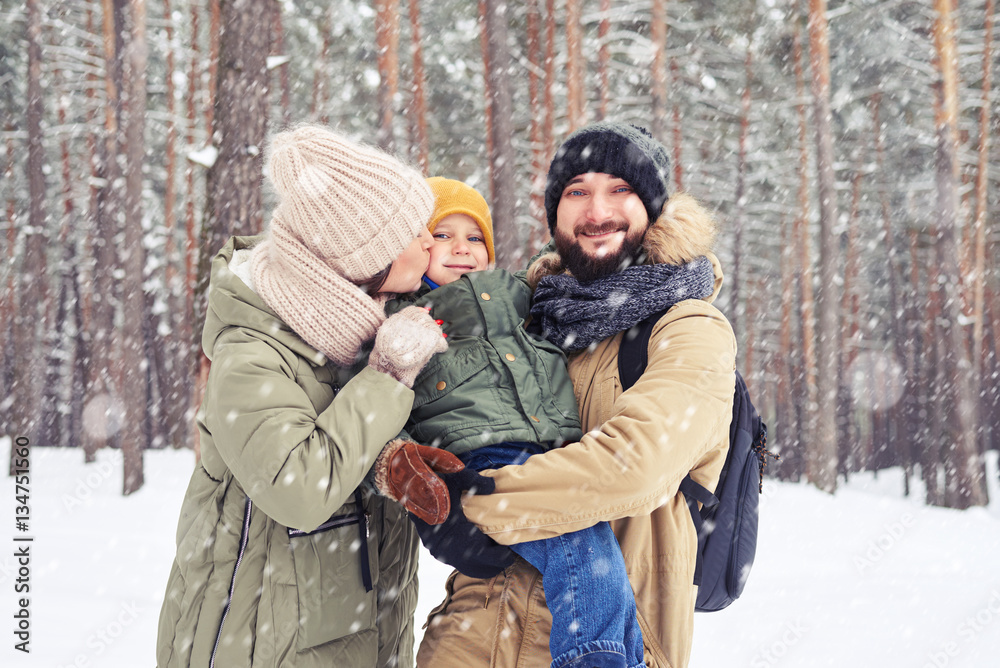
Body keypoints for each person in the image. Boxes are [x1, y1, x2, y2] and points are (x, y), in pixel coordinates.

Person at [416, 122, 737, 668]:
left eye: (621, 190)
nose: (596, 211)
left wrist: (475, 501)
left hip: (611, 643)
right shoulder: (529, 322)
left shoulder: (688, 327)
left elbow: (636, 465)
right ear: (555, 212)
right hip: (471, 641)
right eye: (577, 191)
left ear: (654, 208)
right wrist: (431, 504)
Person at [155, 124, 455, 668]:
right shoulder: (253, 353)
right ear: (363, 259)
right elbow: (299, 488)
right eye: (414, 232)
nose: (431, 243)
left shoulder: (355, 329)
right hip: (254, 643)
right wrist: (387, 375)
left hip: (350, 637)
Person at [371, 177, 647, 668]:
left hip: (555, 455)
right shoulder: (400, 317)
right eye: (443, 235)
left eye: (475, 237)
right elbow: (377, 404)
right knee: (584, 548)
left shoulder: (519, 292)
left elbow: (572, 259)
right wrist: (404, 464)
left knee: (605, 570)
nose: (461, 248)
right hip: (484, 456)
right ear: (414, 245)